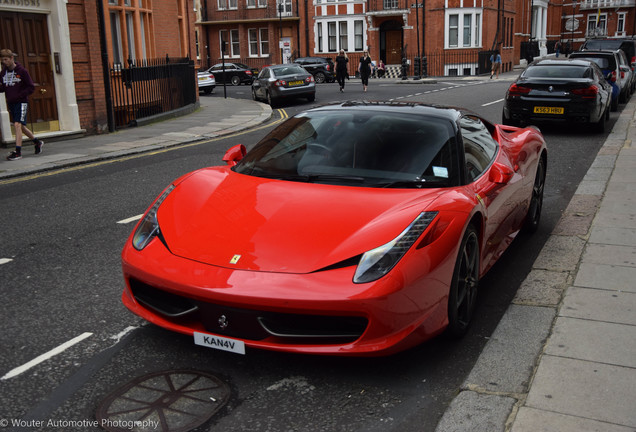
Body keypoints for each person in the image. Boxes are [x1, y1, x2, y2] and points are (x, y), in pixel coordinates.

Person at [0, 48, 43, 161]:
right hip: (11, 103)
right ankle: (37, 142)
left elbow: (31, 87)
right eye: (2, 60)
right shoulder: (3, 73)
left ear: (11, 58)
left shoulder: (22, 71)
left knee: (17, 125)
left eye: (6, 59)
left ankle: (18, 152)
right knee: (21, 127)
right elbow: (3, 88)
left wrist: (20, 95)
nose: (4, 62)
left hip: (21, 102)